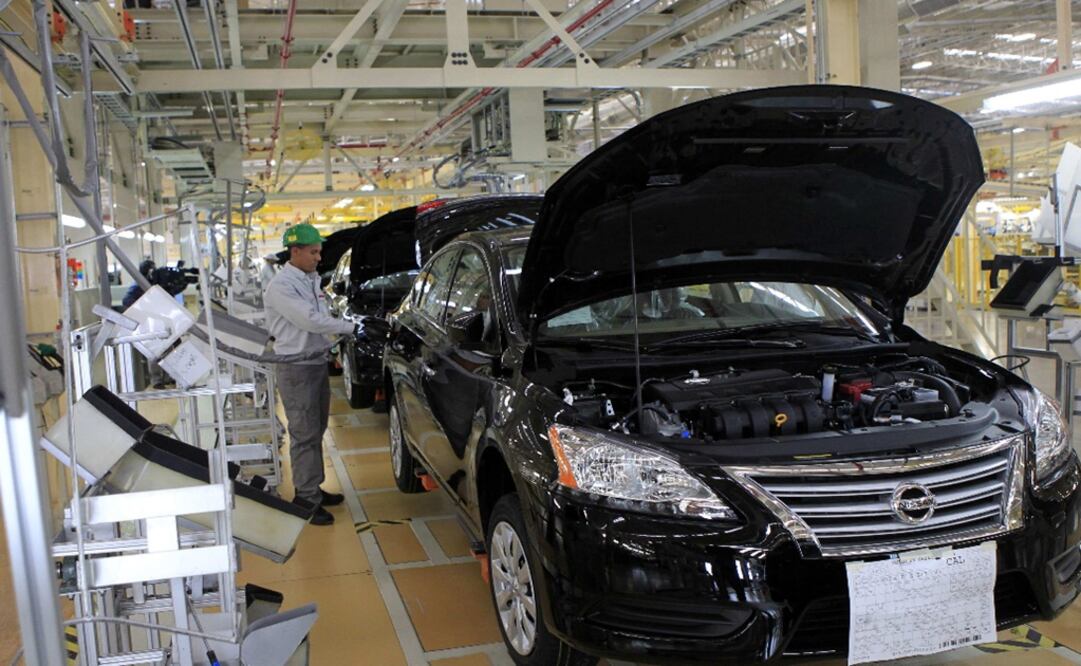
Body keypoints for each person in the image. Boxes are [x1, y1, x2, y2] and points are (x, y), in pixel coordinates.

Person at [264, 223, 381, 526]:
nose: (318, 257)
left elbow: (325, 315)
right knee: (304, 434)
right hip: (296, 368)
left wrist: (355, 322)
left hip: (313, 364)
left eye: (319, 252)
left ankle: (312, 487)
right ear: (296, 251)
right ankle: (305, 499)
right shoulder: (282, 286)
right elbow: (311, 321)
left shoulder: (308, 280)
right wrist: (354, 328)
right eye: (314, 252)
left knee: (315, 430)